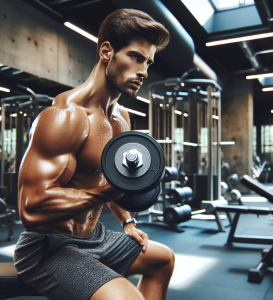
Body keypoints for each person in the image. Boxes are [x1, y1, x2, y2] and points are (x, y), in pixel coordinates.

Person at [14, 9, 174, 300]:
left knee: (163, 259)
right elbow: (31, 208)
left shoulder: (121, 119)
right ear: (106, 51)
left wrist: (127, 220)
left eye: (148, 62)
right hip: (49, 247)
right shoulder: (65, 117)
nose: (144, 72)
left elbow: (111, 176)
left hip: (93, 237)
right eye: (136, 57)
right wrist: (110, 190)